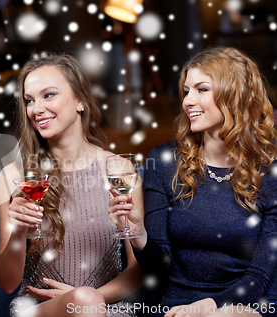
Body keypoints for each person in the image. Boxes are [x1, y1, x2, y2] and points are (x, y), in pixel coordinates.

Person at [109, 46, 277, 317]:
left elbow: (259, 277)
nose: (187, 101)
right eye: (186, 91)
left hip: (241, 304)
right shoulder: (165, 161)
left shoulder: (270, 173)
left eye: (201, 89)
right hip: (171, 305)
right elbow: (158, 264)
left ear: (235, 95)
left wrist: (208, 307)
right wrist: (138, 233)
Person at [0, 53, 144, 317]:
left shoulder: (119, 170)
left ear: (80, 100)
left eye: (48, 95)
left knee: (86, 303)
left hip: (108, 309)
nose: (36, 109)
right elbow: (7, 284)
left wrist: (87, 299)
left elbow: (137, 271)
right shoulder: (14, 175)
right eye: (29, 100)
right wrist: (18, 232)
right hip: (39, 310)